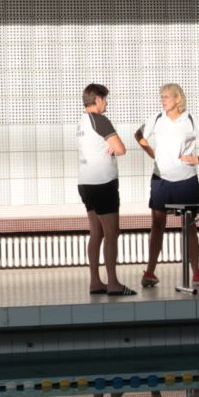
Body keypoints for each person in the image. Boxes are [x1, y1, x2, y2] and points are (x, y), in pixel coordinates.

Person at [135, 84, 199, 289]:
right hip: (161, 179)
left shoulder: (190, 119)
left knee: (189, 226)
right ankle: (150, 272)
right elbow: (139, 135)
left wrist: (198, 158)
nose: (163, 100)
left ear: (177, 99)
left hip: (186, 179)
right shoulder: (157, 118)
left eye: (166, 96)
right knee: (157, 224)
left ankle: (196, 274)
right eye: (161, 96)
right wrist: (153, 153)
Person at [76, 84, 133, 296]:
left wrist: (108, 147)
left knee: (96, 232)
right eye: (105, 99)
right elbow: (121, 149)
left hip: (85, 183)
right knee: (111, 232)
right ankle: (114, 283)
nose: (107, 102)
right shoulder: (99, 120)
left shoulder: (82, 122)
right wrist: (113, 147)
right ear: (98, 99)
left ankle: (95, 281)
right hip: (103, 183)